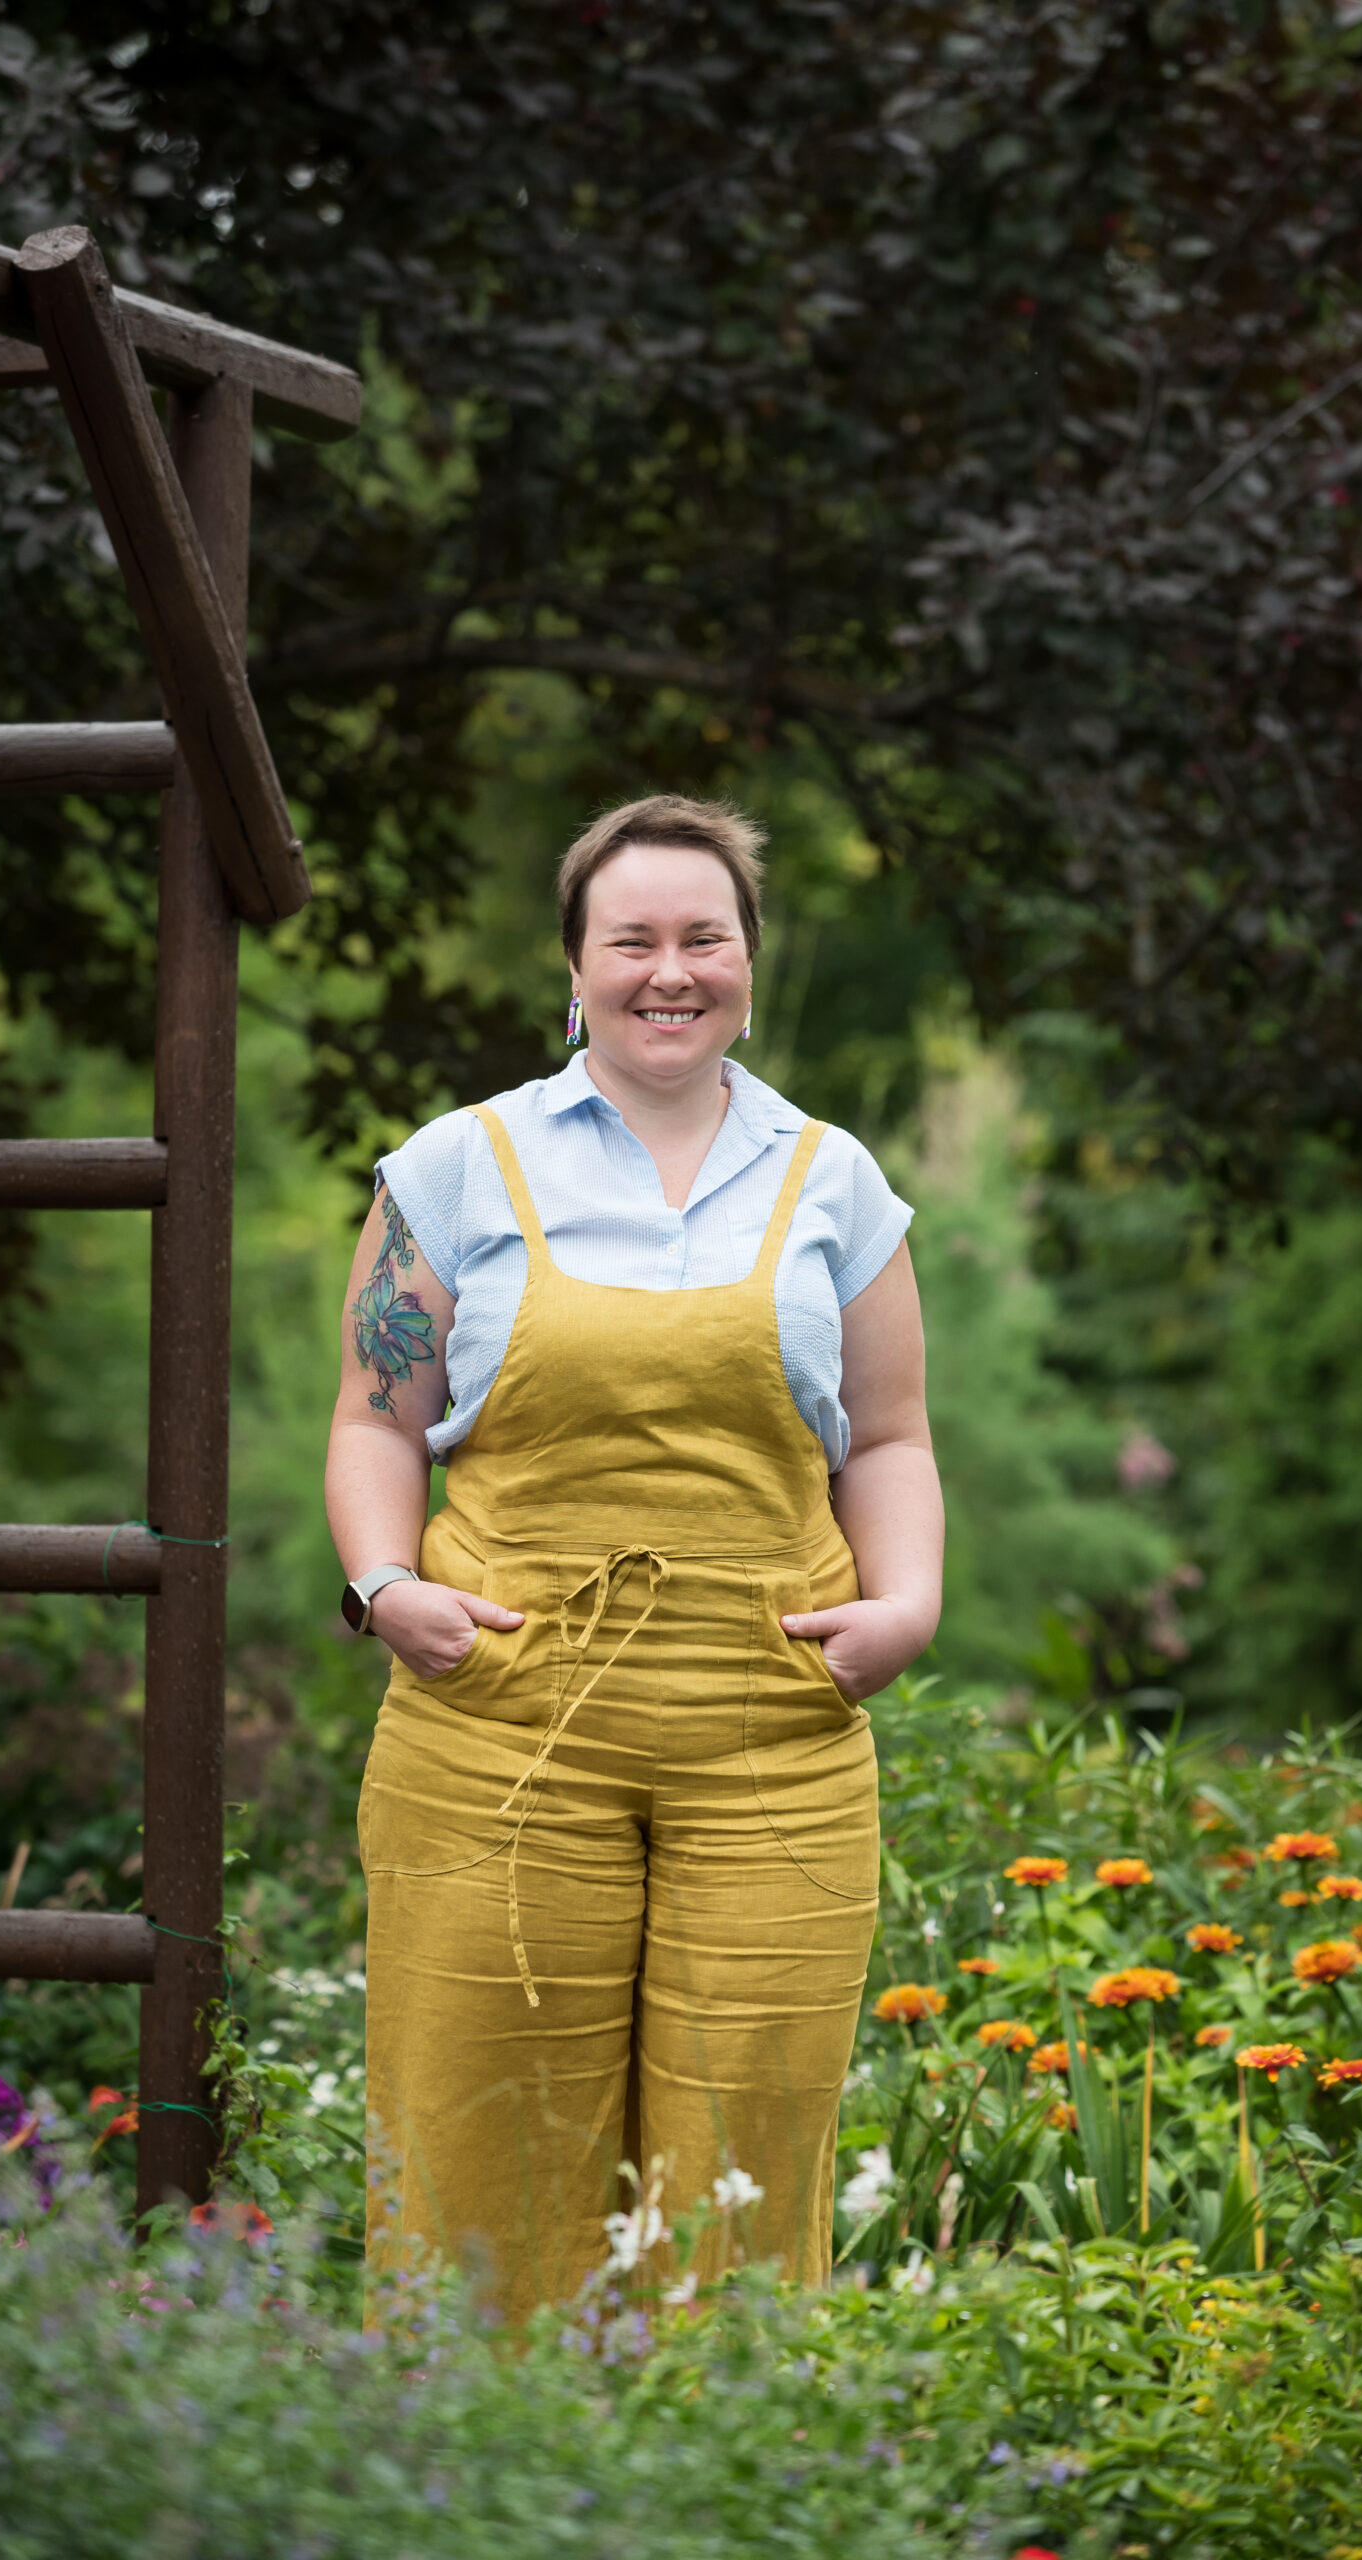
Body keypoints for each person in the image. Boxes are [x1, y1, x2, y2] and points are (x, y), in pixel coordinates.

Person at [325, 794, 943, 2319]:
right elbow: (372, 1419)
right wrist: (383, 1585)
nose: (670, 971)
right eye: (634, 940)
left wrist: (909, 1607)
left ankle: (705, 2503)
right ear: (578, 964)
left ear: (745, 959)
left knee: (741, 2155)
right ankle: (476, 2495)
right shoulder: (456, 1170)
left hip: (771, 1741)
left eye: (703, 938)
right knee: (479, 2139)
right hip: (497, 1727)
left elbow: (890, 1441)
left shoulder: (832, 1181)